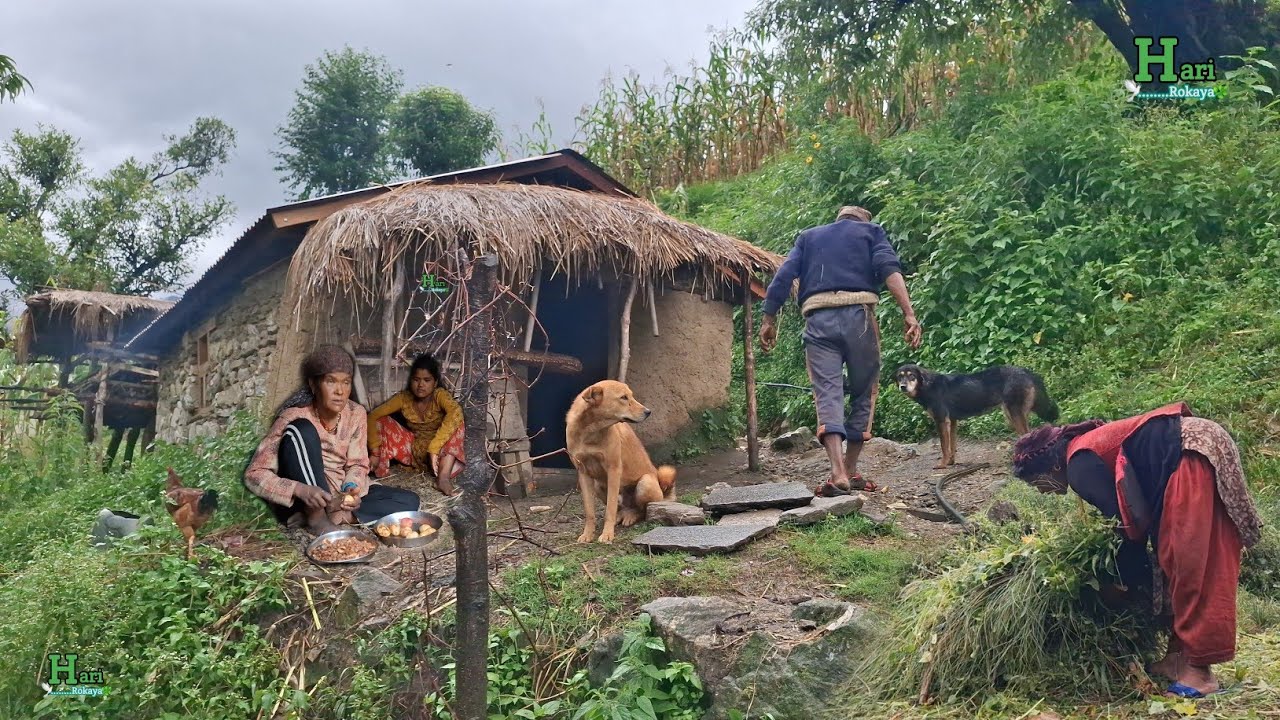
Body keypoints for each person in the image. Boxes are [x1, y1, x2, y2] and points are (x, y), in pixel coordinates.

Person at [1010, 402, 1264, 698]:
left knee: (1191, 564)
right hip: (1181, 457)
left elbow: (1122, 527)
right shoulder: (1081, 457)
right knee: (1170, 559)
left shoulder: (1078, 464)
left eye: (1035, 483)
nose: (1040, 491)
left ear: (1051, 467)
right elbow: (1131, 522)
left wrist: (1123, 582)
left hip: (1189, 454)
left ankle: (1199, 674)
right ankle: (1176, 657)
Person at [759, 205, 923, 496]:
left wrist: (769, 319)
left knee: (827, 392)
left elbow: (783, 276)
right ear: (862, 221)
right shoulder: (871, 232)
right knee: (864, 390)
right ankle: (850, 467)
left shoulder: (809, 237)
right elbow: (890, 270)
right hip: (859, 317)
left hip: (818, 320)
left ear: (838, 220)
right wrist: (908, 313)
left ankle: (837, 472)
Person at [244, 344, 420, 533]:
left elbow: (358, 464)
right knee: (301, 428)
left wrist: (352, 487)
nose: (340, 391)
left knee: (409, 501)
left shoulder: (355, 413)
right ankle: (316, 517)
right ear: (313, 384)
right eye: (331, 381)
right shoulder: (293, 416)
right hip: (306, 497)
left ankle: (338, 517)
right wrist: (299, 490)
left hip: (337, 496)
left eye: (346, 382)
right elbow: (255, 474)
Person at [367, 352, 466, 496]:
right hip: (414, 452)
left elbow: (456, 412)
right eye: (416, 380)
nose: (421, 385)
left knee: (457, 422)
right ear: (411, 381)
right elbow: (373, 416)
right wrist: (375, 452)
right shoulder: (404, 398)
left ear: (435, 382)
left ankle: (442, 479)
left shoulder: (439, 395)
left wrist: (434, 448)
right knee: (381, 421)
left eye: (427, 380)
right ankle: (381, 472)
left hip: (441, 457)